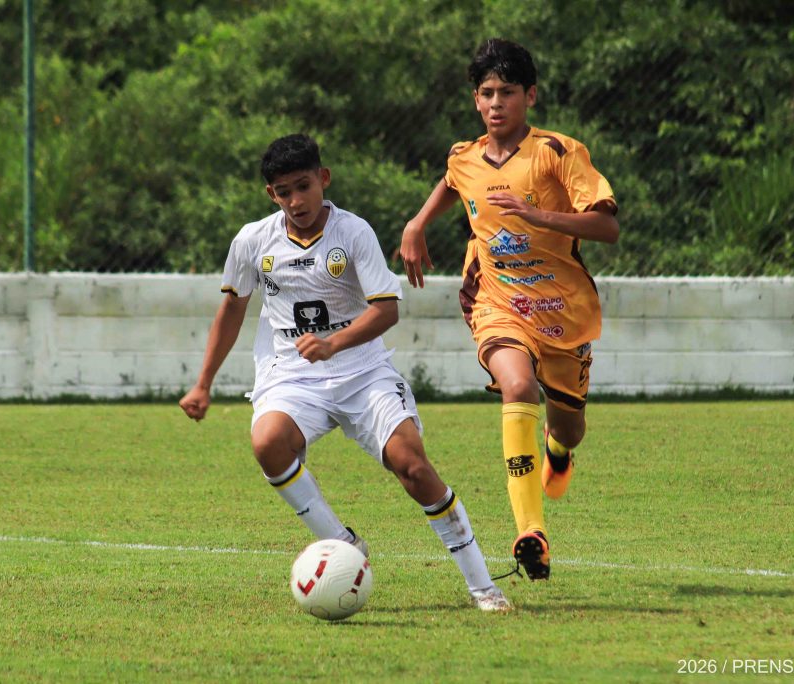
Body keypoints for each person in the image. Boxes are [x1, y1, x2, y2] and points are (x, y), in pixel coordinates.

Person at [180, 133, 510, 612]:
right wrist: (203, 383)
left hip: (363, 370)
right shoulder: (252, 240)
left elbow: (386, 310)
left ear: (324, 178)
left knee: (413, 467)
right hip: (291, 374)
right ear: (271, 194)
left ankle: (484, 587)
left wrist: (332, 343)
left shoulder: (353, 232)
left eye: (303, 186)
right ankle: (342, 544)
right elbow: (232, 310)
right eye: (283, 192)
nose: (296, 201)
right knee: (267, 443)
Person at [400, 39, 619, 581]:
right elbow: (454, 181)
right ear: (476, 99)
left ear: (531, 96)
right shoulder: (465, 156)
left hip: (563, 311)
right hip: (496, 301)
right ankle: (531, 532)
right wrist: (417, 223)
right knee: (517, 386)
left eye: (508, 92)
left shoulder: (558, 152)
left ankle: (558, 450)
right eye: (487, 93)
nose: (496, 103)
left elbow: (607, 226)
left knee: (570, 426)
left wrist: (539, 216)